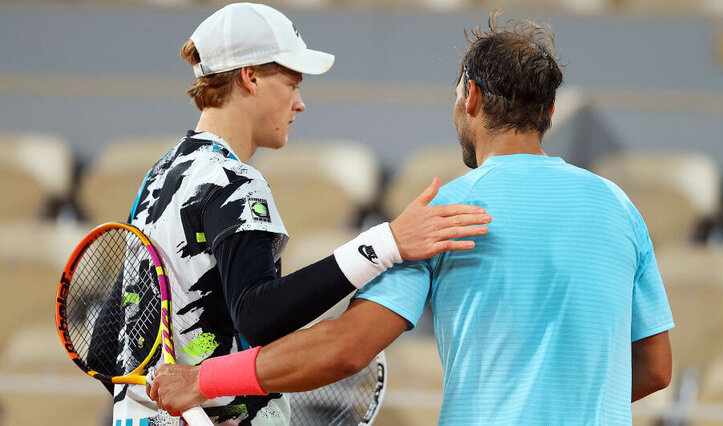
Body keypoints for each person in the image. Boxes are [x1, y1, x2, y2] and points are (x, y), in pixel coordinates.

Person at [148, 11, 674, 425]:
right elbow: (655, 369)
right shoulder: (619, 206)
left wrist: (205, 381)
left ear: (469, 98)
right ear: (549, 113)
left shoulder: (442, 217)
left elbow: (345, 348)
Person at [115, 3, 492, 425]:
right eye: (292, 83)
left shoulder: (159, 176)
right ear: (250, 77)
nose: (300, 103)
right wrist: (387, 243)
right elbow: (258, 317)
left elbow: (110, 339)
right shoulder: (235, 182)